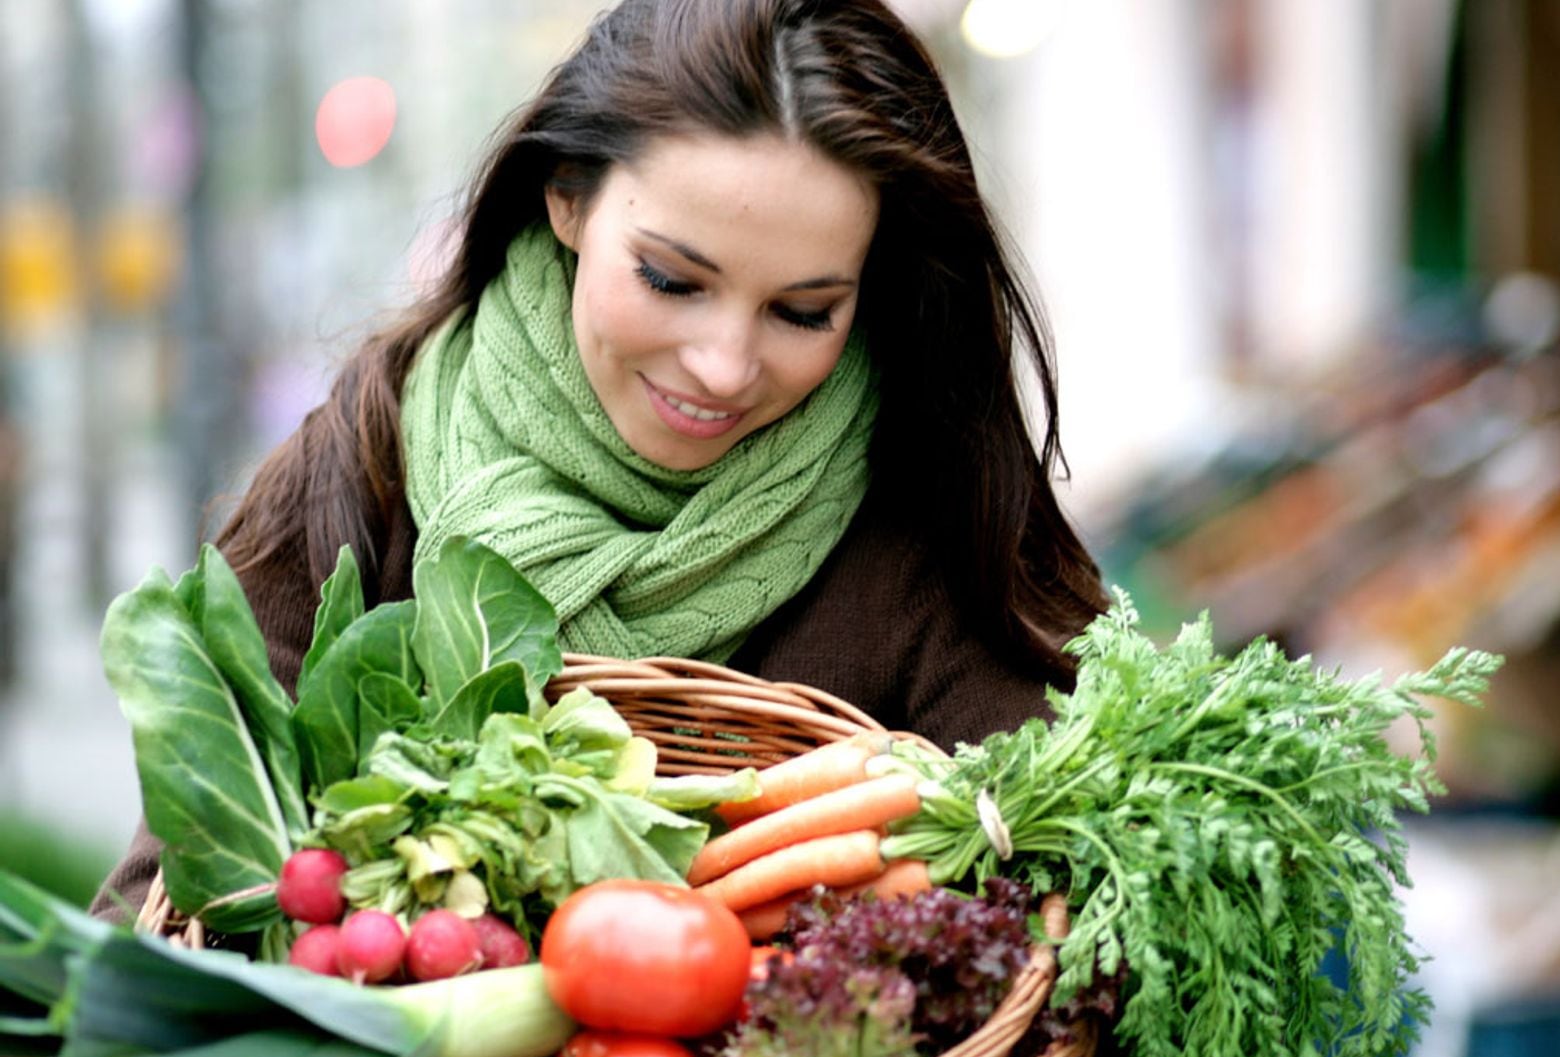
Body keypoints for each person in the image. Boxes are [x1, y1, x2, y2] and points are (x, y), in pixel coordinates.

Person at [91, 0, 1105, 921]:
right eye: (672, 280)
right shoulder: (365, 463)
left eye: (803, 311)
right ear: (566, 200)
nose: (723, 366)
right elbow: (163, 909)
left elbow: (1074, 916)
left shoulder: (927, 516)